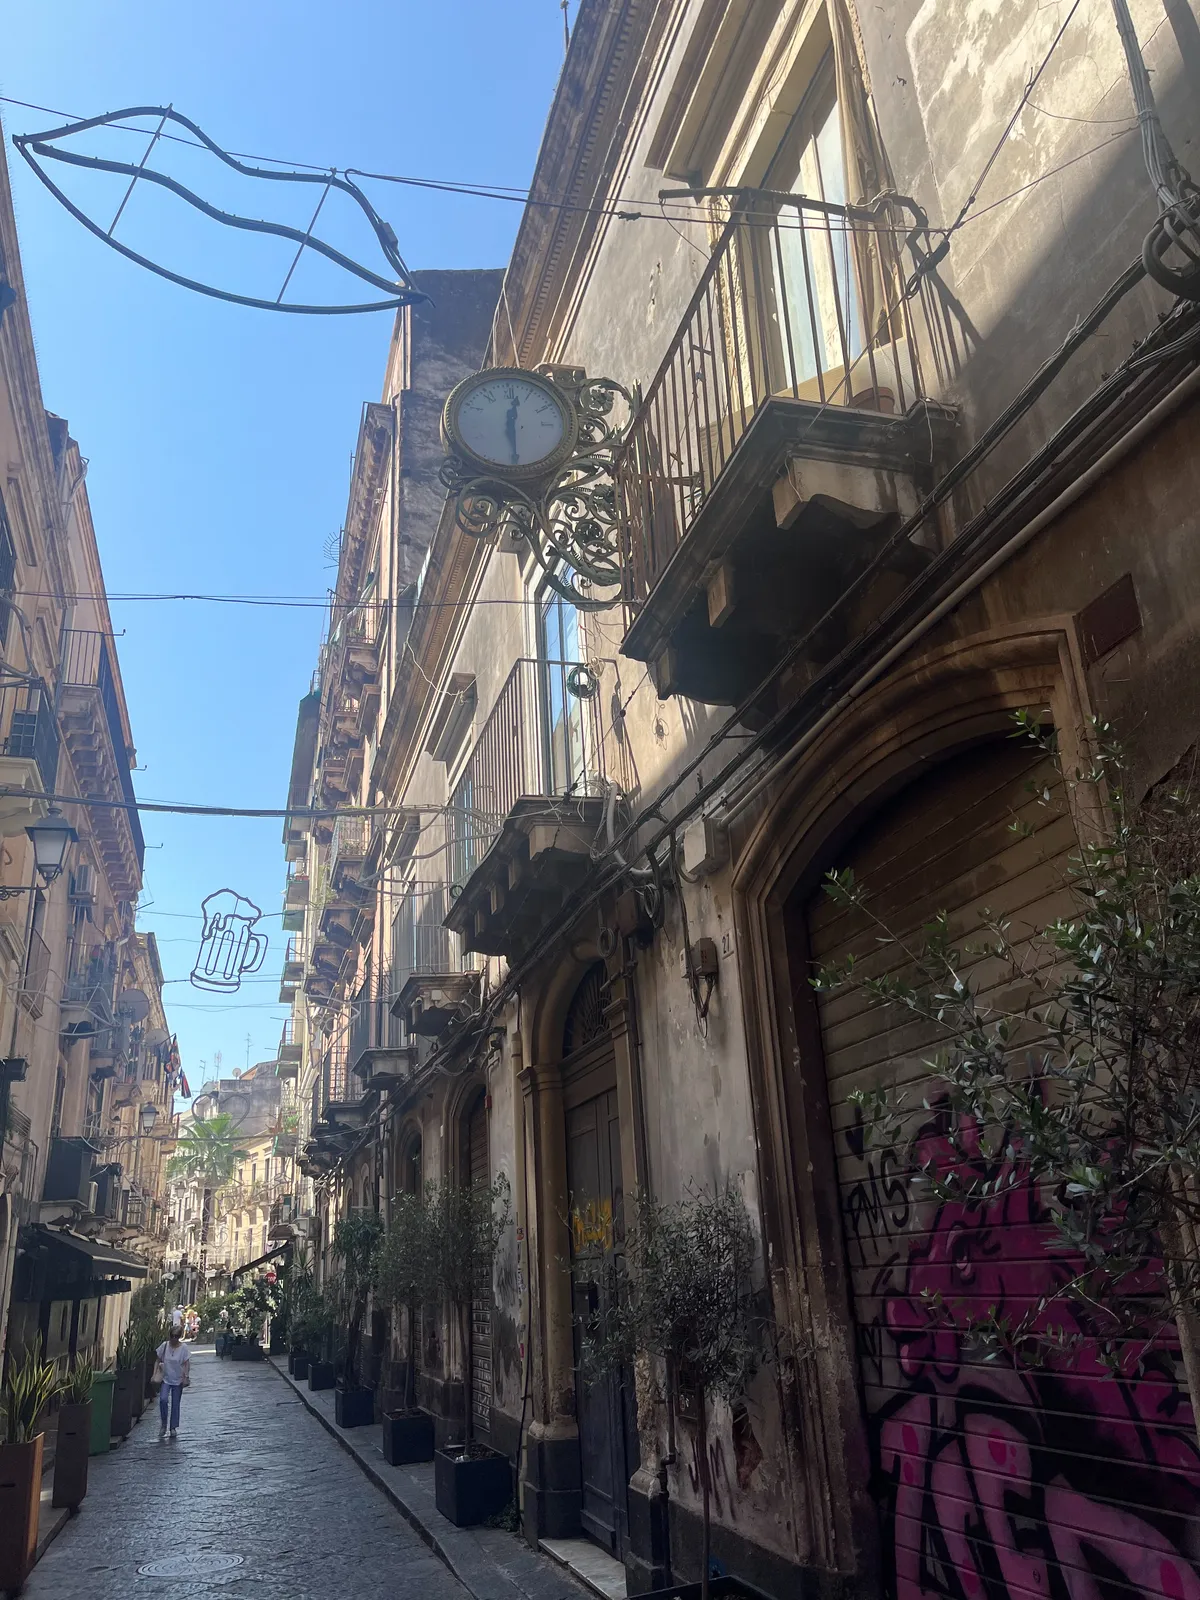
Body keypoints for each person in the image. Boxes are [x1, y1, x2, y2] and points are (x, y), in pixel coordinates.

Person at [156, 1323, 191, 1440]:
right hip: (166, 1378)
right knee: (163, 1399)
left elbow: (186, 1363)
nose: (174, 1338)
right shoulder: (164, 1346)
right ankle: (164, 1424)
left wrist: (185, 1376)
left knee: (175, 1404)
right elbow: (157, 1360)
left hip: (178, 1379)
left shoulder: (183, 1348)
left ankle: (173, 1427)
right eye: (172, 1336)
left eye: (176, 1336)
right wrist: (154, 1373)